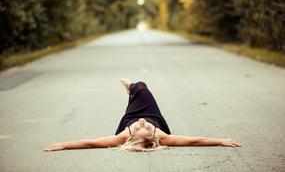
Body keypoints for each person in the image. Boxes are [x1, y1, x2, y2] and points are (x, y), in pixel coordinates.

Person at [43, 79, 241, 152]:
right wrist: (220, 141)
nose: (142, 123)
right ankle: (134, 88)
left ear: (131, 135)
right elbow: (195, 141)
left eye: (140, 128)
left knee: (136, 89)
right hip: (154, 114)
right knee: (143, 87)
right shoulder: (162, 137)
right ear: (153, 135)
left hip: (127, 118)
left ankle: (131, 90)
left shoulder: (123, 136)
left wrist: (64, 145)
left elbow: (92, 143)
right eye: (145, 127)